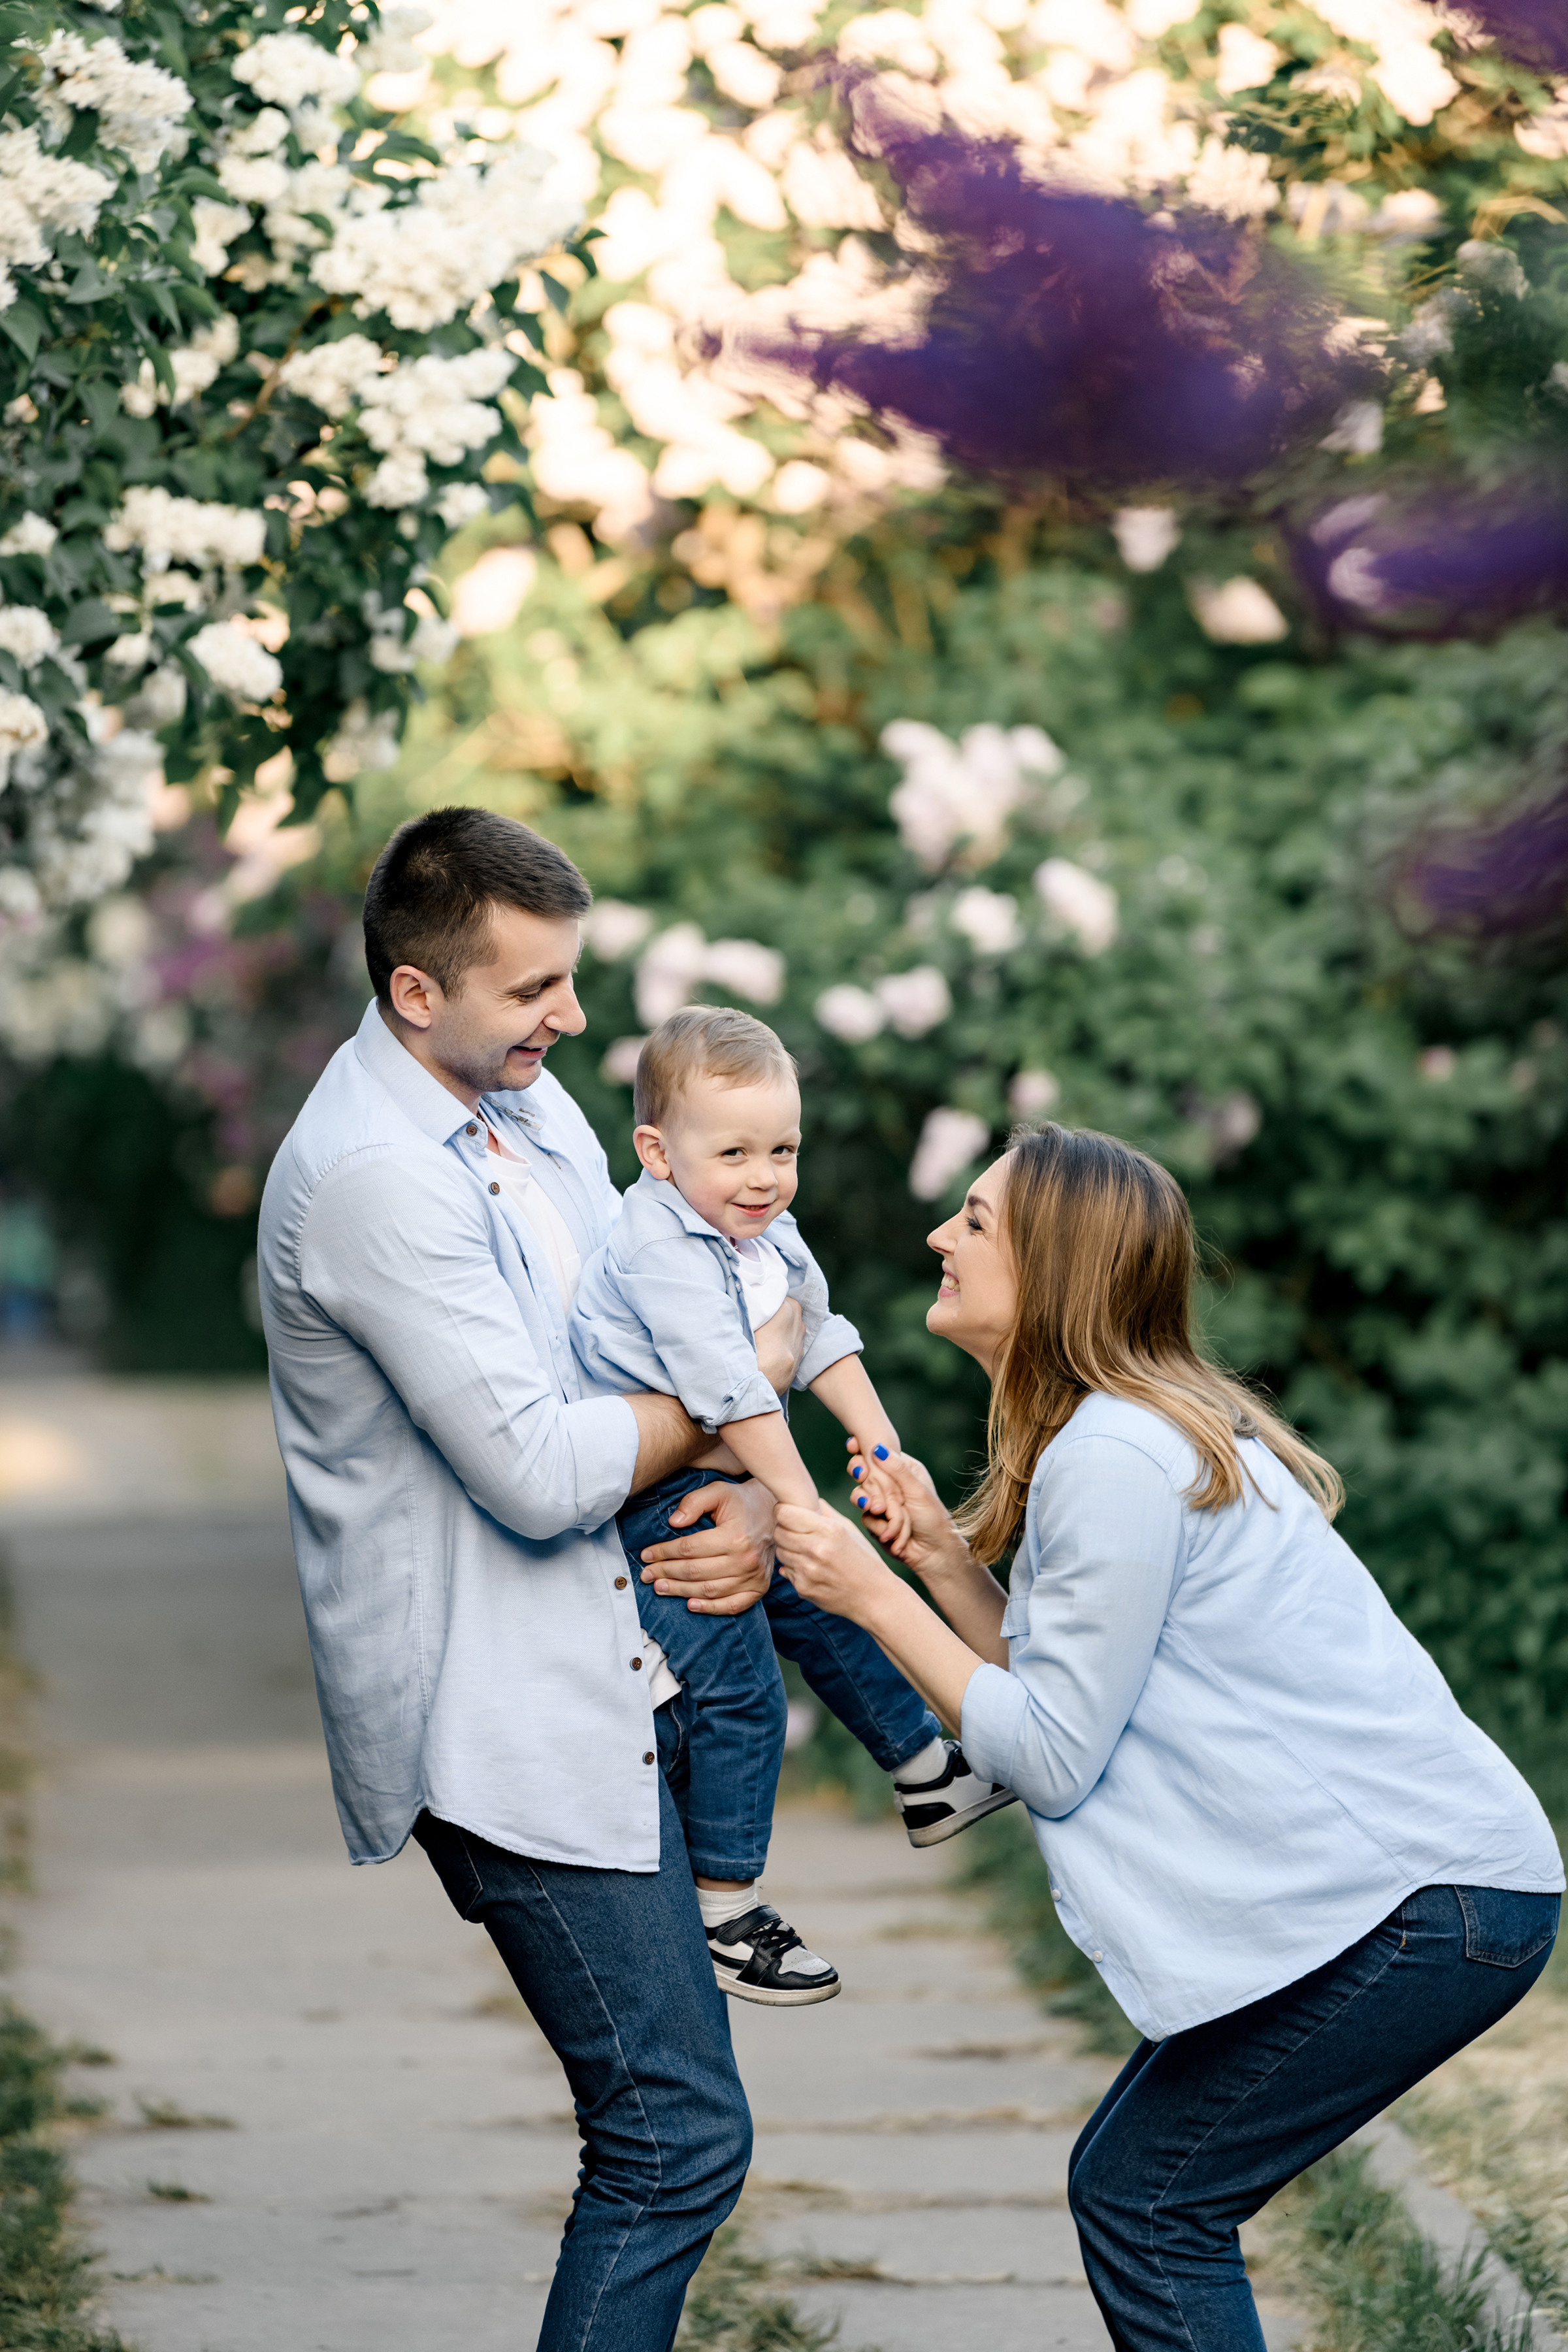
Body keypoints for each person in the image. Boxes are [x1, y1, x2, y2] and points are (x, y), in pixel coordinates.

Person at [770, 1120, 1564, 2352]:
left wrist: (869, 1599)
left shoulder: (1117, 1455)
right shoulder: (1115, 1437)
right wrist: (929, 1555)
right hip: (1440, 1894)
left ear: (1058, 1268)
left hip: (1430, 1904)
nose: (940, 1235)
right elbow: (1053, 1688)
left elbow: (1044, 1757)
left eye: (974, 1221)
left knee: (1149, 2200)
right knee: (1139, 2191)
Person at [257, 807, 792, 2352]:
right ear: (417, 993)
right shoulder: (371, 1175)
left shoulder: (528, 1104)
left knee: (673, 2138)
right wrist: (736, 1398)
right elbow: (549, 1469)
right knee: (674, 2139)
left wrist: (743, 1494)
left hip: (623, 1661)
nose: (570, 1018)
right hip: (502, 1726)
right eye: (531, 990)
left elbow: (637, 1347)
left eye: (570, 979)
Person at [570, 1003, 1017, 2007]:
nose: (765, 1175)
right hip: (647, 1500)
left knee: (830, 1597)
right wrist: (796, 1501)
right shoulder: (659, 1247)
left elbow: (815, 1333)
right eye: (734, 1151)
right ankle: (728, 1909)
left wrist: (882, 1448)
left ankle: (924, 1771)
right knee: (740, 1688)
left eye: (784, 1148)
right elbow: (732, 1390)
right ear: (656, 1152)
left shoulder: (757, 1226)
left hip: (718, 1467)